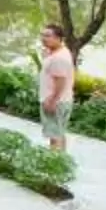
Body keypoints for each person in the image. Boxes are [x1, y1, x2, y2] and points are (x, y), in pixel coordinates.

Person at [38, 23, 77, 152]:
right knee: (60, 133)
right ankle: (62, 161)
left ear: (59, 38)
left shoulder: (59, 58)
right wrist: (46, 56)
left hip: (56, 101)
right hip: (63, 100)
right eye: (42, 35)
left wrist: (52, 101)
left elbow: (61, 81)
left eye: (48, 36)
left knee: (54, 137)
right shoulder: (60, 52)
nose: (44, 38)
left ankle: (53, 166)